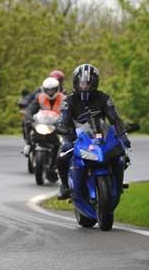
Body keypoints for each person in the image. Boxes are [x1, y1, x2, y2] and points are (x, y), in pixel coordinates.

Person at [55, 63, 130, 200]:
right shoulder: (69, 100)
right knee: (62, 155)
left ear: (95, 83)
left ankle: (117, 183)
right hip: (75, 136)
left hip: (99, 134)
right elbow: (63, 118)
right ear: (75, 82)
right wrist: (62, 127)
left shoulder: (104, 98)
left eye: (88, 83)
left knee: (122, 155)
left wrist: (123, 135)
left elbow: (115, 119)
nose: (84, 86)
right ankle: (65, 185)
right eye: (81, 83)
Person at [20, 69, 66, 155]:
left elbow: (69, 111)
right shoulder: (39, 96)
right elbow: (30, 108)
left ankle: (64, 152)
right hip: (43, 121)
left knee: (67, 142)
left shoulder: (64, 97)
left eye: (52, 90)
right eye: (48, 90)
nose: (50, 92)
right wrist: (28, 117)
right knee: (26, 122)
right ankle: (28, 144)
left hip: (57, 123)